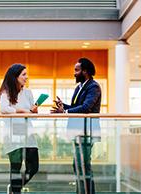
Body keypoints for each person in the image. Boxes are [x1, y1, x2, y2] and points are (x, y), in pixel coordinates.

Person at [51, 57, 101, 194]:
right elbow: (76, 107)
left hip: (86, 132)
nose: (74, 73)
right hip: (77, 132)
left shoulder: (94, 87)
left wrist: (65, 111)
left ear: (85, 71)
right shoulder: (79, 87)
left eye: (76, 70)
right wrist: (64, 107)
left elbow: (86, 107)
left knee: (84, 166)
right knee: (78, 165)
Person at [0, 63, 39, 194]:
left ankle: (15, 188)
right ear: (15, 76)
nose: (27, 77)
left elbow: (32, 116)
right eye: (24, 74)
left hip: (27, 132)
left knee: (34, 167)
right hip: (13, 133)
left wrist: (34, 112)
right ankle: (16, 191)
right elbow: (3, 109)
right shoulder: (6, 92)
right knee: (16, 167)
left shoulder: (28, 92)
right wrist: (19, 110)